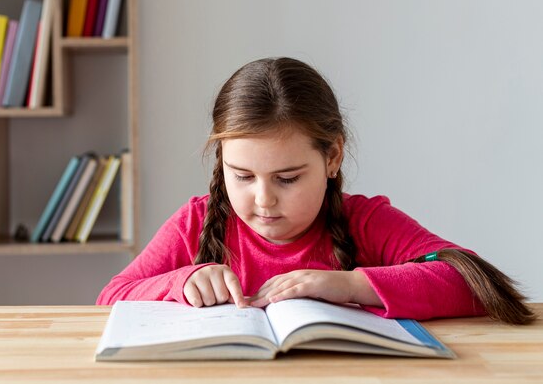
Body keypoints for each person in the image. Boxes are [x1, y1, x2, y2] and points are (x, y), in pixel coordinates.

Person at [97, 57, 535, 324]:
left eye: (287, 179)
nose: (263, 199)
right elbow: (111, 298)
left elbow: (473, 282)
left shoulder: (364, 221)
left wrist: (350, 286)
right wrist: (183, 280)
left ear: (332, 157)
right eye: (242, 176)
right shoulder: (196, 222)